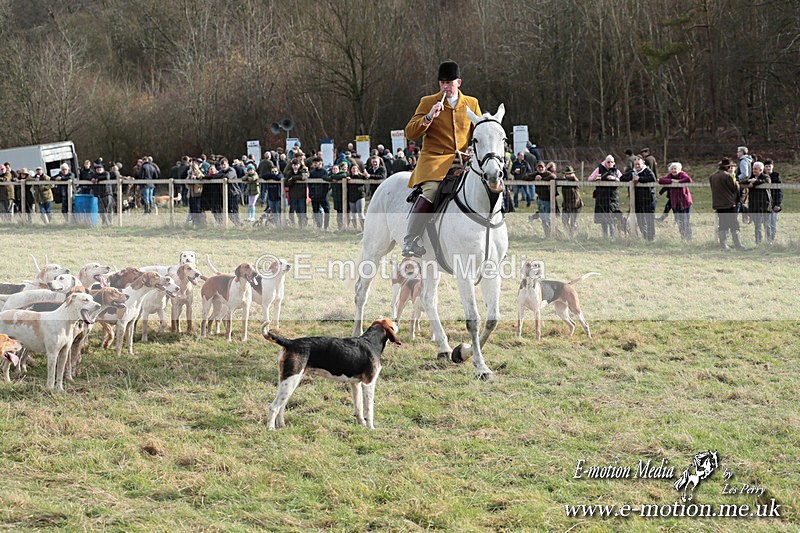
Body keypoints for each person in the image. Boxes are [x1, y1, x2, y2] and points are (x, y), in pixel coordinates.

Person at [401, 60, 481, 257]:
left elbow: (479, 130)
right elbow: (410, 133)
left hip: (463, 161)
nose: (445, 87)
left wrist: (474, 149)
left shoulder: (472, 103)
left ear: (459, 82)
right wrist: (428, 118)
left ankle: (493, 236)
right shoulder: (428, 101)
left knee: (484, 184)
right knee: (431, 190)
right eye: (442, 83)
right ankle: (410, 240)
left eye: (449, 83)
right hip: (434, 161)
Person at [710, 157, 747, 251]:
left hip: (718, 204)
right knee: (734, 225)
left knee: (722, 225)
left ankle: (723, 245)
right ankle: (738, 245)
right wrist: (737, 183)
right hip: (729, 204)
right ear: (728, 167)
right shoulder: (728, 176)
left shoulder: (713, 176)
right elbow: (735, 188)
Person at [620, 157, 657, 241]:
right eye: (635, 164)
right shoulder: (632, 172)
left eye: (638, 164)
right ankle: (644, 235)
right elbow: (622, 178)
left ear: (642, 164)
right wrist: (632, 178)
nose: (637, 166)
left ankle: (650, 238)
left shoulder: (647, 171)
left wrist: (640, 179)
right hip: (637, 200)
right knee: (640, 220)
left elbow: (652, 179)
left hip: (649, 199)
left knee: (649, 219)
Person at [588, 155, 622, 240]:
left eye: (612, 162)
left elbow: (623, 179)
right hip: (601, 198)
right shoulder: (599, 169)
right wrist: (596, 177)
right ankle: (605, 237)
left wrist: (614, 178)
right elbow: (590, 178)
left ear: (614, 163)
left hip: (613, 198)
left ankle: (613, 237)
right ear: (605, 162)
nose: (610, 163)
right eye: (608, 162)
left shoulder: (616, 171)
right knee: (603, 220)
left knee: (612, 218)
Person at [657, 162, 693, 241]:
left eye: (675, 169)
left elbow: (688, 179)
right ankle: (683, 237)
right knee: (679, 221)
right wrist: (671, 180)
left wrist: (677, 181)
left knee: (686, 220)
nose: (674, 170)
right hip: (675, 203)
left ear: (679, 169)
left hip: (685, 202)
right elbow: (661, 181)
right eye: (672, 169)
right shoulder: (670, 176)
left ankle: (689, 238)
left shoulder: (682, 174)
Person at [744, 161, 771, 245]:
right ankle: (758, 242)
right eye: (753, 169)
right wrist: (749, 181)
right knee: (757, 225)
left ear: (761, 170)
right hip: (754, 205)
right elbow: (743, 182)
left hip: (764, 205)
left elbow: (767, 181)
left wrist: (754, 182)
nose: (753, 170)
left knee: (767, 225)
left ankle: (769, 242)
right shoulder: (751, 177)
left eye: (755, 169)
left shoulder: (765, 176)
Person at [532, 161, 557, 237]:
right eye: (539, 167)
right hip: (540, 200)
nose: (540, 168)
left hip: (548, 200)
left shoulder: (547, 174)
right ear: (537, 168)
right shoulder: (535, 174)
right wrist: (535, 178)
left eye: (542, 167)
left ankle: (552, 234)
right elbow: (525, 177)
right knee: (543, 219)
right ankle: (547, 235)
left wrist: (542, 179)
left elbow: (553, 176)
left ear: (544, 167)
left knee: (549, 218)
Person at [308, 157, 331, 230]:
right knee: (315, 210)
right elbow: (309, 184)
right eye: (314, 163)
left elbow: (327, 184)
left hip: (323, 195)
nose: (314, 164)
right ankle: (319, 225)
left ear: (320, 163)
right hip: (314, 195)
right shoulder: (312, 172)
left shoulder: (324, 172)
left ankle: (326, 226)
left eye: (316, 163)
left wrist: (325, 194)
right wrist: (311, 193)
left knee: (327, 210)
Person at [284, 157, 309, 227]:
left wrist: (294, 178)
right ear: (292, 166)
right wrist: (291, 181)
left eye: (297, 165)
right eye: (294, 165)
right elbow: (286, 183)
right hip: (293, 195)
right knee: (294, 211)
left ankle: (303, 225)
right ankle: (293, 224)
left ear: (299, 165)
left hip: (301, 195)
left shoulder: (302, 171)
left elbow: (305, 177)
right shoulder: (289, 173)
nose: (295, 166)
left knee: (302, 211)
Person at [560, 165, 583, 237]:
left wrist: (571, 177)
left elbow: (578, 184)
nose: (568, 175)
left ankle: (572, 236)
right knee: (564, 221)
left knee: (573, 222)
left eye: (570, 173)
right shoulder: (563, 181)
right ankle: (569, 234)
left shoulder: (575, 180)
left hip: (576, 205)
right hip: (566, 204)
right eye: (567, 174)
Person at [763, 159, 782, 244]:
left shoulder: (776, 176)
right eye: (766, 166)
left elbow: (780, 191)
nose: (768, 168)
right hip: (764, 204)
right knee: (766, 224)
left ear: (772, 166)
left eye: (769, 166)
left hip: (774, 204)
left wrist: (778, 204)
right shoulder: (762, 176)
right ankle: (767, 240)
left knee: (773, 223)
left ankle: (772, 240)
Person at [346, 162, 368, 231]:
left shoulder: (361, 176)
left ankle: (364, 229)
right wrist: (347, 179)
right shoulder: (349, 177)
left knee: (360, 213)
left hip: (360, 196)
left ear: (357, 169)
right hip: (351, 197)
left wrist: (365, 175)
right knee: (353, 214)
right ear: (350, 169)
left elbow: (366, 177)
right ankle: (355, 229)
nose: (354, 170)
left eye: (355, 168)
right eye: (353, 168)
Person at [91, 160, 114, 226]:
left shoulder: (106, 173)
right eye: (97, 169)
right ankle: (105, 223)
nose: (99, 170)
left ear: (103, 169)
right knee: (101, 210)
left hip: (107, 194)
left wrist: (97, 179)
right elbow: (90, 177)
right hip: (99, 195)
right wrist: (93, 179)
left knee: (108, 209)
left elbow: (106, 177)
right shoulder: (94, 175)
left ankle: (109, 223)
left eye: (100, 168)